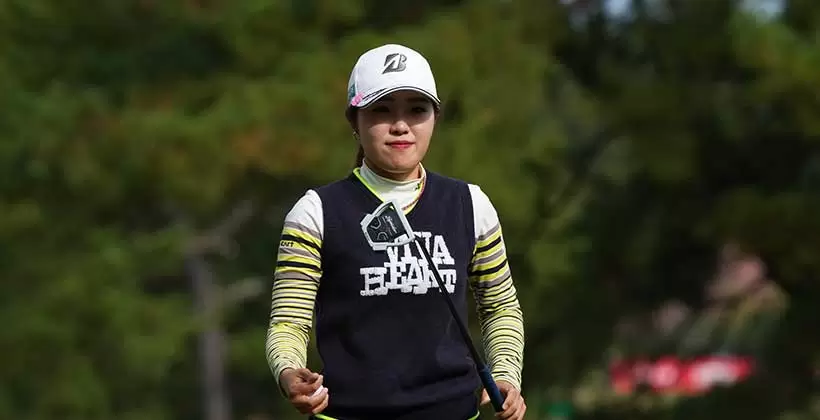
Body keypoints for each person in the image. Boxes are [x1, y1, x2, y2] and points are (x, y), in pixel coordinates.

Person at [265, 43, 526, 420]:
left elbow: (500, 308)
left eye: (417, 110)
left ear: (435, 118)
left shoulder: (471, 205)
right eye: (381, 110)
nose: (400, 125)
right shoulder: (315, 212)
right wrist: (289, 372)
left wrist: (505, 374)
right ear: (354, 120)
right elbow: (288, 322)